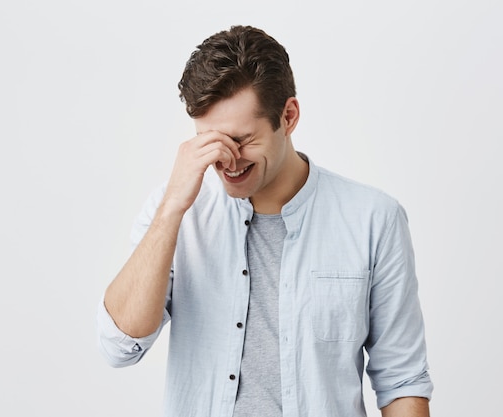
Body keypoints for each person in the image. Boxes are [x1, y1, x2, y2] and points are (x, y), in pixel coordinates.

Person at [97, 25, 433, 417]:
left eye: (242, 140)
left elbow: (403, 383)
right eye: (209, 141)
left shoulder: (374, 219)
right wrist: (173, 206)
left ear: (288, 116)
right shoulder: (174, 213)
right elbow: (118, 346)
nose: (227, 159)